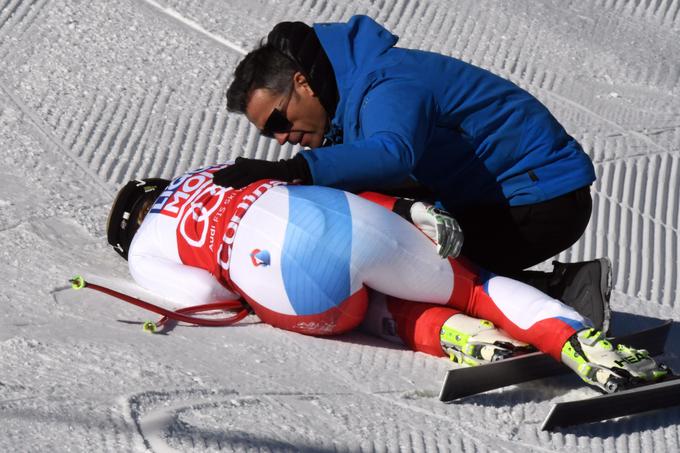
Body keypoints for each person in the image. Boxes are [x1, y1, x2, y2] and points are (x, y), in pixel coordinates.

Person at [106, 163, 666, 393]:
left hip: (286, 278)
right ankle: (585, 345)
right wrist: (402, 209)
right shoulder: (206, 172)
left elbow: (205, 294)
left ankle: (455, 336)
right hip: (349, 218)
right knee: (475, 284)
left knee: (365, 307)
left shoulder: (144, 248)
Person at [212, 15, 611, 330]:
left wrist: (294, 169)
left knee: (410, 262)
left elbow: (393, 153)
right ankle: (555, 292)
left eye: (278, 120)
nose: (281, 138)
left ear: (303, 84)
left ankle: (559, 296)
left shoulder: (386, 82)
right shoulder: (350, 103)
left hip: (543, 199)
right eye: (268, 133)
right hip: (506, 197)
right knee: (388, 236)